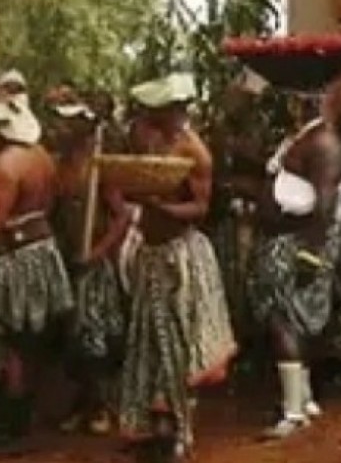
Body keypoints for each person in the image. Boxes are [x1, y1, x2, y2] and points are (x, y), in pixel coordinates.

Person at [117, 73, 236, 462]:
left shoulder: (195, 151)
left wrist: (158, 206)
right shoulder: (145, 137)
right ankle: (157, 423)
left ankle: (181, 429)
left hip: (180, 256)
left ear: (177, 111)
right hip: (151, 255)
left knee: (181, 344)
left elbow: (200, 209)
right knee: (150, 341)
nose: (150, 116)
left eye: (159, 110)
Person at [249, 84, 341, 439]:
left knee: (282, 320)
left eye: (306, 97)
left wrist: (310, 255)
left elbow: (325, 203)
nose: (296, 102)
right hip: (287, 239)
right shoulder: (310, 135)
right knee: (289, 320)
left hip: (299, 243)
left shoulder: (325, 144)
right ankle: (302, 398)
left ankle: (293, 412)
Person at [0, 95, 75, 454]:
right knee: (29, 341)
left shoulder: (5, 167)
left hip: (16, 259)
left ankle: (11, 424)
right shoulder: (41, 156)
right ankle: (19, 416)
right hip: (44, 251)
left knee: (10, 340)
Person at [47, 93, 130, 436]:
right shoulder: (60, 166)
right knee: (73, 339)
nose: (58, 128)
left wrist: (97, 253)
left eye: (66, 124)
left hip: (94, 265)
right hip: (68, 260)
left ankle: (100, 406)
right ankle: (83, 403)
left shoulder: (98, 169)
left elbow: (122, 217)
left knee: (94, 339)